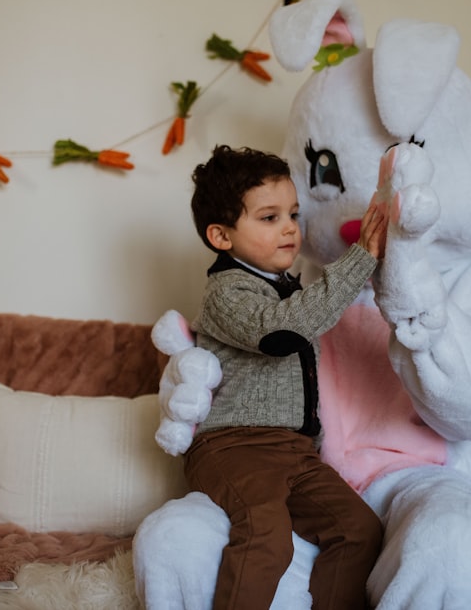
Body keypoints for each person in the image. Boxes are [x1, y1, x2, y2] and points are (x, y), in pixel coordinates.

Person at [185, 144, 387, 610]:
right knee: (266, 535)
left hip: (295, 451)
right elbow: (278, 332)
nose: (291, 227)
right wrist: (359, 260)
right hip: (234, 446)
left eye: (293, 213)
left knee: (358, 531)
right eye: (269, 217)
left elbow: (304, 312)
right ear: (221, 236)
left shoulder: (287, 288)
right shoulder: (226, 292)